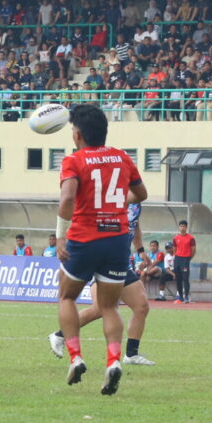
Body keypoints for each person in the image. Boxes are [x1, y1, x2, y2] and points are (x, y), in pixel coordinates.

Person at [53, 105, 148, 395]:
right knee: (109, 306)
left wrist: (60, 236)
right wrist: (117, 204)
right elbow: (141, 194)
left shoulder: (74, 160)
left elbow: (68, 198)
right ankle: (113, 361)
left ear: (78, 134)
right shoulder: (121, 157)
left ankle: (76, 356)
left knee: (67, 296)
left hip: (84, 236)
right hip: (117, 239)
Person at [48, 202, 156, 367]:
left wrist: (140, 248)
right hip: (103, 260)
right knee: (100, 309)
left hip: (121, 262)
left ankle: (131, 354)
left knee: (141, 306)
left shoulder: (134, 201)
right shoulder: (109, 196)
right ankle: (60, 335)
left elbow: (134, 224)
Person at [172, 220, 195, 303]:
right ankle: (180, 296)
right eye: (180, 226)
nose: (182, 228)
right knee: (178, 279)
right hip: (177, 259)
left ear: (186, 227)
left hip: (185, 259)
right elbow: (174, 249)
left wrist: (188, 258)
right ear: (179, 227)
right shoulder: (175, 238)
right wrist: (177, 256)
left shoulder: (191, 238)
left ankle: (186, 296)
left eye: (183, 226)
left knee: (185, 278)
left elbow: (193, 250)